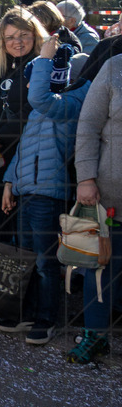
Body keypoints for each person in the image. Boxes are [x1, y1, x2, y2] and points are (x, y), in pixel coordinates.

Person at [0, 35, 90, 343]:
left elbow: (40, 97)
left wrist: (45, 59)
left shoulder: (69, 104)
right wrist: (10, 182)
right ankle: (27, 313)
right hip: (27, 190)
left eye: (33, 80)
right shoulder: (43, 107)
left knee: (45, 262)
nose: (27, 88)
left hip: (48, 194)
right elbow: (25, 148)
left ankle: (46, 319)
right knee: (27, 258)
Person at [0, 7, 47, 240]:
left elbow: (32, 112)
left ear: (34, 35)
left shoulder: (42, 68)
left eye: (23, 35)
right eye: (10, 37)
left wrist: (1, 141)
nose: (18, 42)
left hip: (25, 159)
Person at [72, 54, 122, 364]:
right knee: (100, 266)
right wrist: (86, 178)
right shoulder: (115, 67)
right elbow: (88, 125)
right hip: (109, 194)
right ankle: (95, 336)